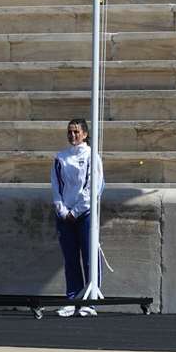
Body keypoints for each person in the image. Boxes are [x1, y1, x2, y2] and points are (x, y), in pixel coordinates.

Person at [51, 117, 101, 317]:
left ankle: (90, 301)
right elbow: (56, 186)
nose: (73, 135)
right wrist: (62, 210)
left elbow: (93, 187)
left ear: (85, 134)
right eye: (70, 132)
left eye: (76, 132)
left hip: (84, 213)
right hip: (65, 216)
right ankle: (72, 298)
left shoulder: (92, 156)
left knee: (89, 257)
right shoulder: (60, 157)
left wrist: (77, 211)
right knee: (70, 258)